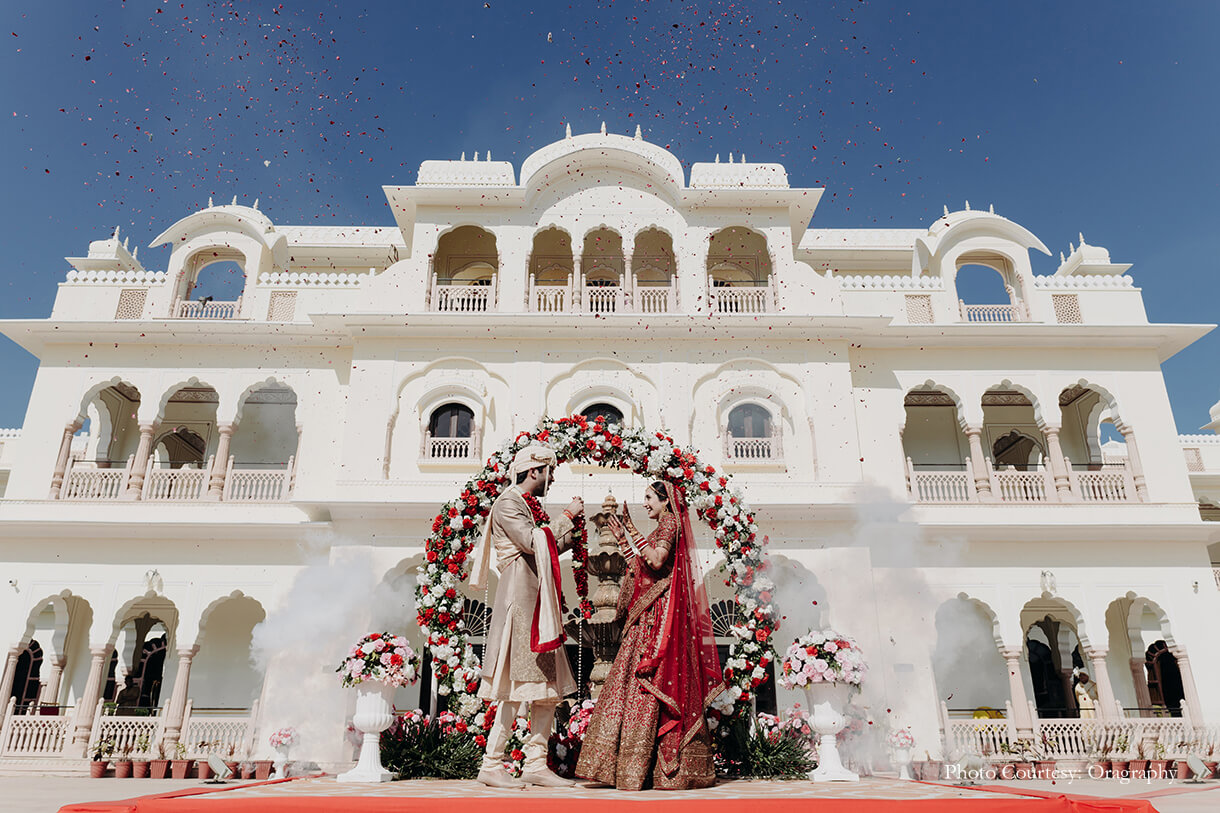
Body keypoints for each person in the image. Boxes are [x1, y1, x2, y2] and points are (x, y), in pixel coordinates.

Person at [575, 481, 725, 790]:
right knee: (638, 688)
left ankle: (644, 769)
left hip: (658, 622)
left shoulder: (669, 521)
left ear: (665, 500)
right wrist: (622, 537)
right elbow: (641, 567)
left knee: (647, 686)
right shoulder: (662, 526)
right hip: (650, 616)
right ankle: (638, 769)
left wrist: (631, 527)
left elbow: (656, 560)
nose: (645, 503)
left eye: (649, 498)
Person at [469, 444, 585, 789]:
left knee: (545, 689)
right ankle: (492, 763)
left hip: (538, 605)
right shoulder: (507, 502)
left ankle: (536, 762)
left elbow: (545, 548)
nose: (550, 480)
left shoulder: (526, 507)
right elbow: (531, 543)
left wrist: (571, 534)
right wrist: (565, 516)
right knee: (515, 686)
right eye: (548, 473)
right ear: (533, 471)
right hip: (520, 604)